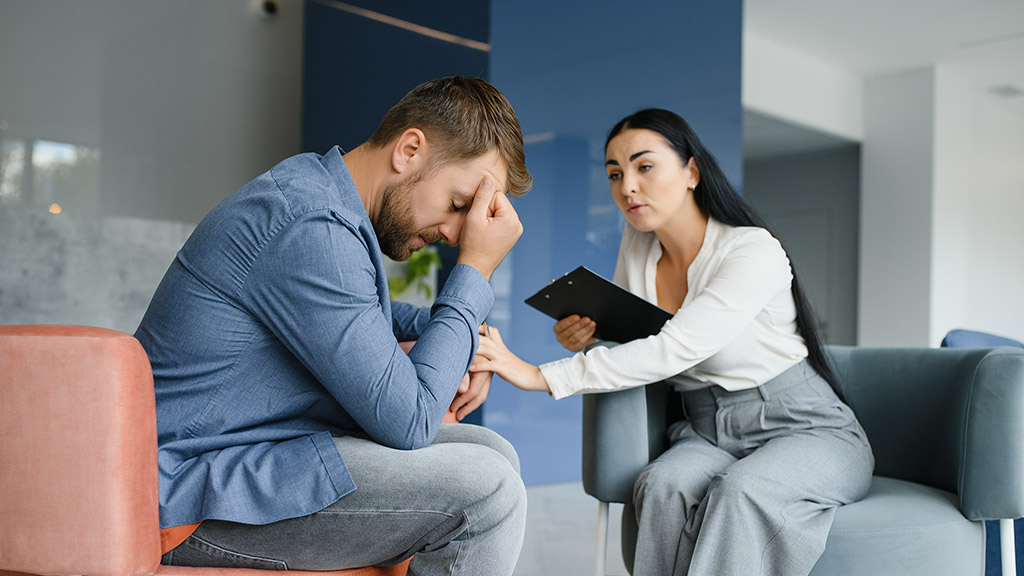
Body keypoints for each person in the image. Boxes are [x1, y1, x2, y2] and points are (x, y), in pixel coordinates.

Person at [135, 76, 532, 575]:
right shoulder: (309, 224)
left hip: (257, 456)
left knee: (495, 452)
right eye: (457, 205)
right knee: (487, 491)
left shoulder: (322, 197)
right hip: (193, 492)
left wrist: (467, 338)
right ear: (410, 150)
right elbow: (409, 421)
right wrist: (473, 272)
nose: (455, 234)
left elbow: (370, 322)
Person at [472, 108, 874, 576]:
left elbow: (675, 347)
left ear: (691, 172)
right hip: (705, 428)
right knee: (662, 484)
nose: (627, 187)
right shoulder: (637, 243)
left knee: (741, 492)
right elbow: (635, 335)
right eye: (614, 173)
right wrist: (591, 335)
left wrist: (539, 375)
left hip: (804, 426)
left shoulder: (752, 250)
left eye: (644, 167)